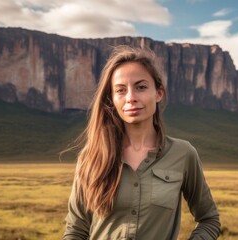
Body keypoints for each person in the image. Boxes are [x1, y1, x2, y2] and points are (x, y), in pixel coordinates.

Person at [62, 45, 220, 240]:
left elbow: (209, 219)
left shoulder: (183, 154)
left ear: (159, 93)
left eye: (141, 87)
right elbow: (76, 230)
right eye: (120, 90)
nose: (131, 98)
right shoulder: (92, 155)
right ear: (112, 99)